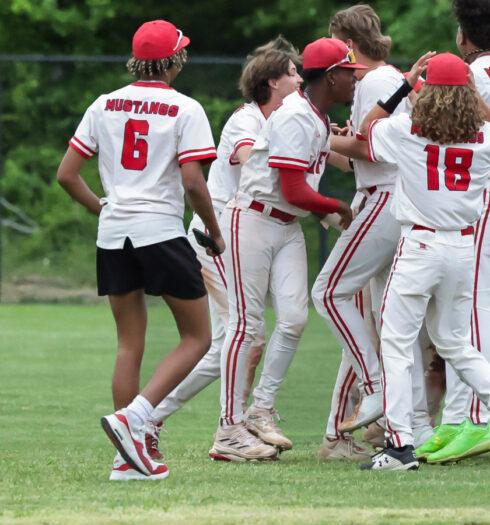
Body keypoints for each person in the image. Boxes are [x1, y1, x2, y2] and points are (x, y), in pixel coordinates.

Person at [332, 52, 490, 471]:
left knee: (397, 344)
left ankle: (401, 445)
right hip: (462, 248)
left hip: (420, 246)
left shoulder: (407, 129)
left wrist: (406, 82)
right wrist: (471, 93)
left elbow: (366, 129)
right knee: (457, 342)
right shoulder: (484, 140)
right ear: (469, 94)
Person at [57, 20, 221, 481]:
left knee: (129, 344)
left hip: (113, 234)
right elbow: (192, 181)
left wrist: (104, 209)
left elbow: (67, 174)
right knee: (198, 338)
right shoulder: (185, 108)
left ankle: (125, 459)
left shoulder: (104, 103)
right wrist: (214, 229)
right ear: (173, 60)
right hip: (161, 233)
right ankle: (136, 419)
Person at [147, 35, 302, 460]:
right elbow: (252, 158)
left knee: (234, 341)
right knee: (242, 337)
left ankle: (160, 418)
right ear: (272, 82)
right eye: (293, 73)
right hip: (214, 238)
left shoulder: (285, 120)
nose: (300, 79)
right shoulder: (246, 120)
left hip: (232, 236)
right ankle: (212, 428)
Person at [212, 37, 361, 462]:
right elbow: (294, 189)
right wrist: (336, 209)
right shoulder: (296, 114)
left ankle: (260, 409)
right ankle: (228, 429)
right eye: (350, 73)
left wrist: (331, 215)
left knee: (295, 318)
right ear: (331, 76)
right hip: (254, 220)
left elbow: (299, 194)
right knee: (245, 325)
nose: (354, 80)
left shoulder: (313, 114)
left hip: (286, 225)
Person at [414, 0, 490, 465]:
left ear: (463, 36)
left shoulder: (477, 75)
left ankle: (474, 420)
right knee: (474, 309)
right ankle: (455, 420)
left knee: (474, 312)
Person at [312, 3, 408, 460]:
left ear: (348, 45)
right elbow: (358, 153)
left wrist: (316, 134)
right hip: (383, 193)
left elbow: (375, 151)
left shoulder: (374, 80)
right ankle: (342, 431)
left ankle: (377, 389)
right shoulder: (384, 79)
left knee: (328, 293)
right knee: (367, 318)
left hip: (385, 195)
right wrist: (326, 140)